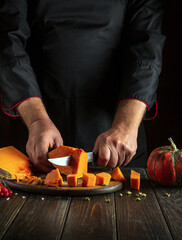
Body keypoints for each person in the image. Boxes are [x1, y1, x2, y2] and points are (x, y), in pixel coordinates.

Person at [0, 0, 165, 173]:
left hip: (117, 135)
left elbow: (147, 52)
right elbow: (7, 43)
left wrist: (125, 126)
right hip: (37, 134)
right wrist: (36, 120)